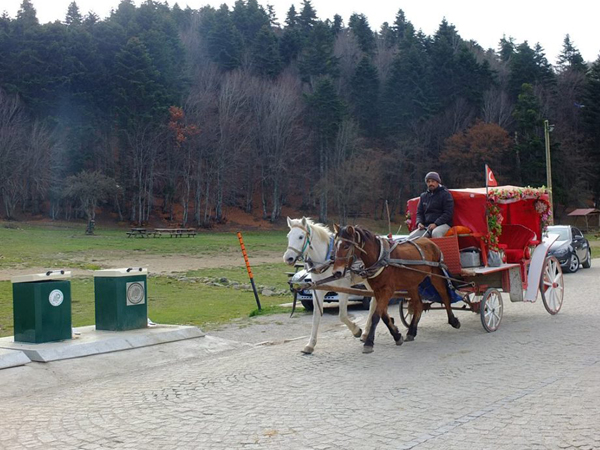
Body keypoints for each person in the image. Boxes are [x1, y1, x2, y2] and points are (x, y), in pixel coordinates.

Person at [409, 171, 454, 239]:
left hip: (443, 224)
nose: (430, 183)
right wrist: (419, 223)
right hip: (427, 226)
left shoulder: (445, 194)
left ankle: (439, 249)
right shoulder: (423, 196)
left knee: (436, 233)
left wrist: (436, 224)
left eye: (433, 181)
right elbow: (419, 213)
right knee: (412, 237)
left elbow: (448, 213)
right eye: (428, 182)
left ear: (438, 182)